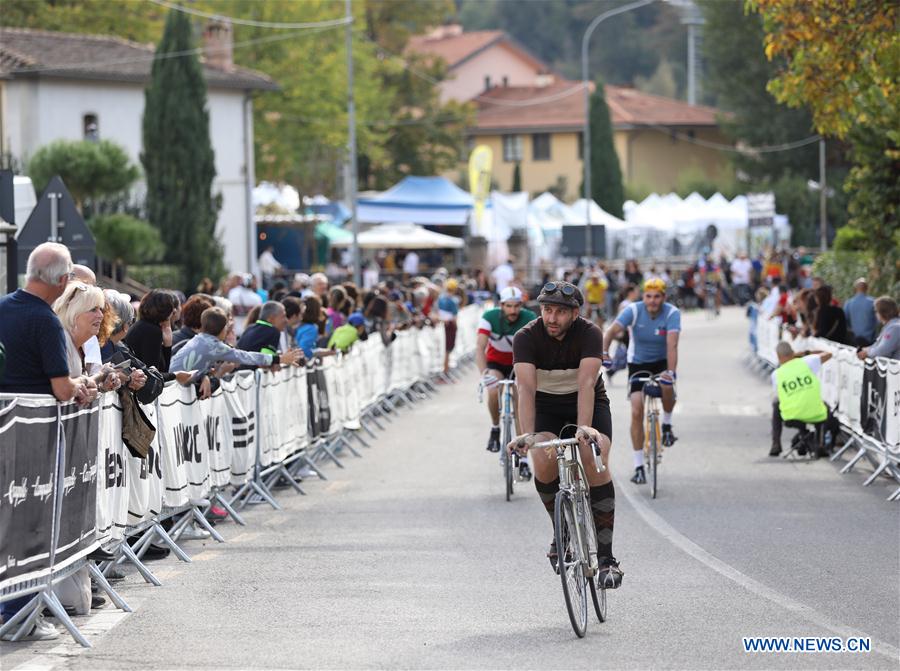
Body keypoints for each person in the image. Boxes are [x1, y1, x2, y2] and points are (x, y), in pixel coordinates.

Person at [0, 243, 99, 642]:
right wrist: (85, 385)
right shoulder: (44, 320)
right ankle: (18, 614)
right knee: (31, 527)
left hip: (9, 427)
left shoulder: (3, 306)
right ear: (61, 281)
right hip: (34, 439)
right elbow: (61, 388)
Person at [508, 281, 622, 588]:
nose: (552, 318)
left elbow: (586, 385)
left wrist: (585, 428)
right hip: (546, 407)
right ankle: (562, 530)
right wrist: (528, 435)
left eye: (560, 312)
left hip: (588, 405)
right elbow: (526, 389)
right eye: (547, 310)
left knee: (593, 458)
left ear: (574, 314)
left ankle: (607, 559)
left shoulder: (589, 334)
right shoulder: (526, 337)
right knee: (542, 460)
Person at [603, 277, 680, 485]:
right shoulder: (634, 310)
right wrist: (604, 353)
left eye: (657, 297)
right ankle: (638, 465)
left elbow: (672, 346)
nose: (652, 301)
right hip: (638, 363)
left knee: (667, 387)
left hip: (662, 361)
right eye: (648, 296)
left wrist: (671, 373)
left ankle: (666, 425)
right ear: (642, 297)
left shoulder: (672, 313)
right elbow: (611, 331)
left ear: (664, 297)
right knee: (637, 409)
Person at [475, 287, 537, 466]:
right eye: (508, 306)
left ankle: (523, 456)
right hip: (496, 363)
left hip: (519, 364)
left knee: (521, 404)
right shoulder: (490, 317)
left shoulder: (529, 318)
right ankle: (495, 428)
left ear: (521, 305)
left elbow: (536, 347)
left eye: (517, 306)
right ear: (501, 305)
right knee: (493, 391)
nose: (513, 311)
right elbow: (480, 347)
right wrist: (484, 373)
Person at [171, 307, 301, 379]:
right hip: (176, 387)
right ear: (223, 329)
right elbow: (245, 356)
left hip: (173, 383)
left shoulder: (199, 338)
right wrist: (279, 359)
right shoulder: (214, 346)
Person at [769, 341, 833, 458]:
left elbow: (779, 395)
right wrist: (805, 353)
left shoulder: (776, 374)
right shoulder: (808, 362)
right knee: (826, 408)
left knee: (776, 403)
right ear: (793, 352)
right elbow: (829, 354)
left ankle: (776, 444)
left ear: (778, 357)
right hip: (816, 415)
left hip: (790, 417)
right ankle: (820, 444)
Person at [857, 297, 900, 361]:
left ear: (883, 312)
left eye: (876, 311)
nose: (875, 314)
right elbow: (877, 346)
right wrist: (866, 349)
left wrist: (867, 353)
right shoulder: (891, 326)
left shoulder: (895, 328)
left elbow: (883, 350)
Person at [843, 278, 877, 346]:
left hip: (854, 339)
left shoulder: (849, 303)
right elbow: (878, 321)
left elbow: (845, 320)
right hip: (869, 340)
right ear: (867, 288)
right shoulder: (873, 302)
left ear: (855, 288)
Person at [438, 279, 460, 376]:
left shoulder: (441, 298)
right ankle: (445, 370)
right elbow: (454, 316)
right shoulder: (453, 300)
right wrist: (456, 326)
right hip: (450, 325)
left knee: (445, 349)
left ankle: (445, 369)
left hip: (441, 324)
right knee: (447, 349)